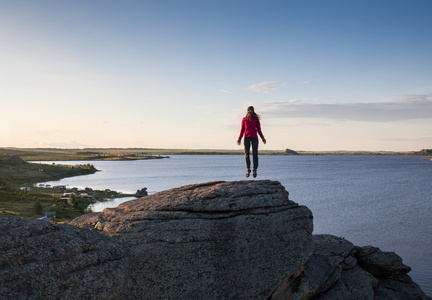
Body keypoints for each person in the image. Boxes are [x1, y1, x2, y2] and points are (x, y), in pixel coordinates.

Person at [237, 106, 266, 178]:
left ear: (253, 111)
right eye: (249, 110)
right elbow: (242, 129)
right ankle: (248, 169)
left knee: (255, 154)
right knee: (247, 154)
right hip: (246, 138)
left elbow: (259, 130)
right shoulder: (244, 119)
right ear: (247, 111)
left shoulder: (256, 119)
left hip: (254, 138)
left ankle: (255, 169)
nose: (250, 111)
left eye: (251, 110)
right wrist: (239, 138)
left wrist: (262, 138)